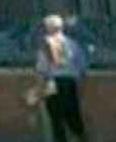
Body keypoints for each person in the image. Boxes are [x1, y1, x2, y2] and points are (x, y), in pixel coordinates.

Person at [35, 14, 88, 142]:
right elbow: (81, 65)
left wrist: (39, 89)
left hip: (53, 82)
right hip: (70, 82)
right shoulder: (72, 44)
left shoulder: (46, 44)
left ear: (49, 28)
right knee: (73, 113)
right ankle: (80, 137)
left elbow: (43, 68)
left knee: (56, 117)